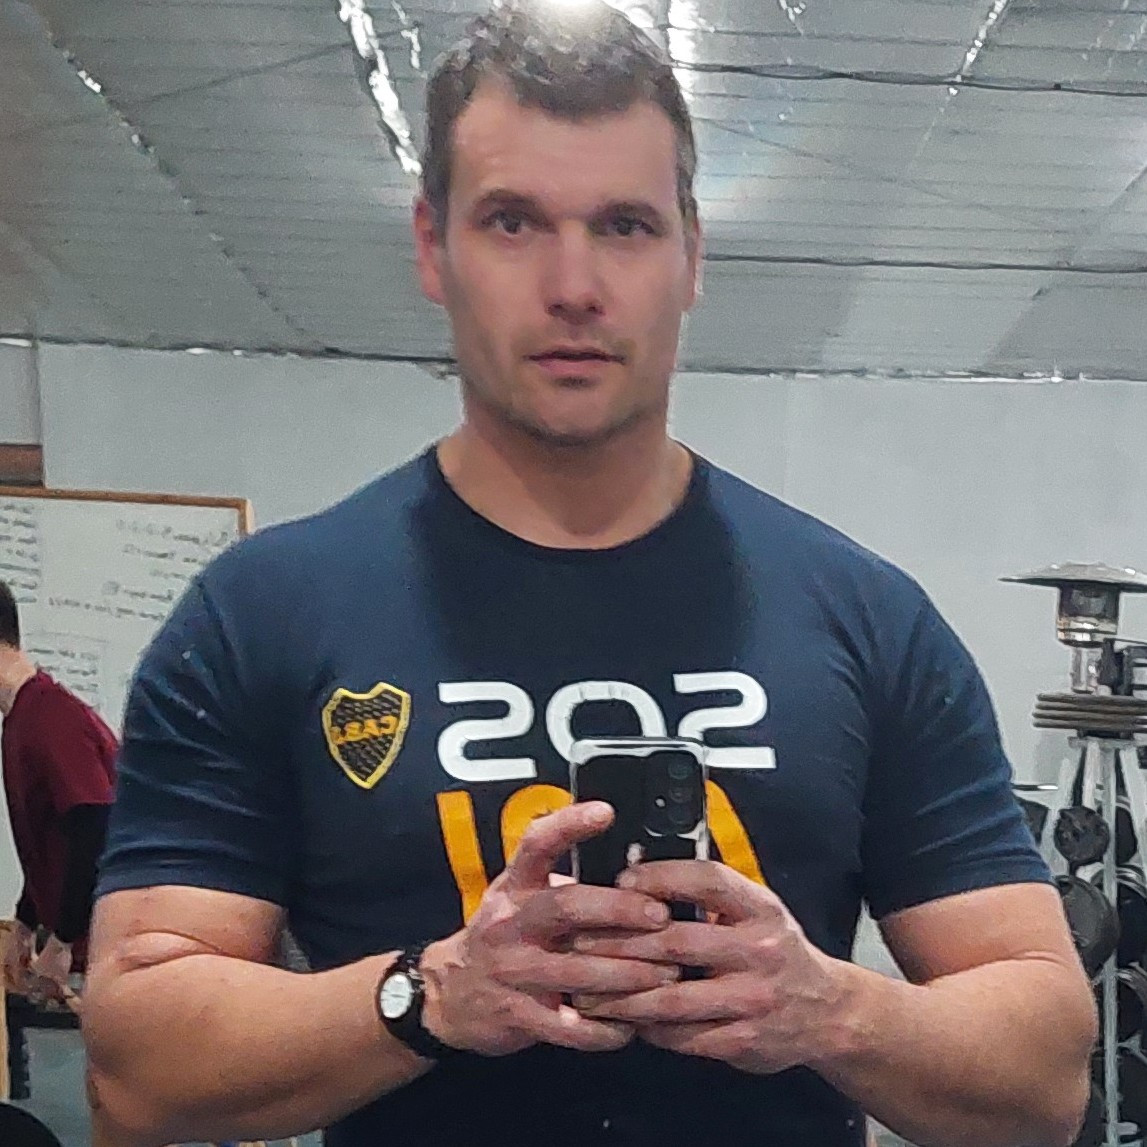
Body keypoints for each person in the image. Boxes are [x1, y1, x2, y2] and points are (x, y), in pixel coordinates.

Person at [81, 4, 1095, 1147]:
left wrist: (830, 1009)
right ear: (432, 246)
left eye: (624, 225)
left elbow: (1045, 1079)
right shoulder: (262, 614)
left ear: (690, 255)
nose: (573, 284)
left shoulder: (862, 616)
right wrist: (431, 994)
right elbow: (136, 1069)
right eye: (512, 221)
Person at [0, 579, 117, 1000]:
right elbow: (55, 836)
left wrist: (63, 941)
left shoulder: (51, 716)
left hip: (103, 955)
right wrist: (24, 922)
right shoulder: (20, 719)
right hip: (81, 951)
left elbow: (95, 827)